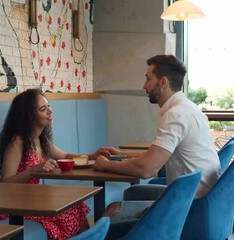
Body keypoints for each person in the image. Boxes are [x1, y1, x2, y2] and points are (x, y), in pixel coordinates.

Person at [93, 54, 221, 239]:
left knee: (112, 210)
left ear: (163, 82)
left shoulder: (175, 115)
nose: (144, 86)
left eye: (147, 79)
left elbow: (147, 169)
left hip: (191, 206)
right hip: (201, 198)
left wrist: (105, 165)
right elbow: (156, 158)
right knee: (132, 192)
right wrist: (122, 155)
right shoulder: (188, 108)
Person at [0, 88, 112, 240]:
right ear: (29, 116)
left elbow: (65, 156)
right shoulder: (17, 142)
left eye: (49, 106)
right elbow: (5, 183)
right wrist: (33, 170)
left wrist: (92, 155)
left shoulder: (41, 140)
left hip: (32, 200)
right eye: (43, 109)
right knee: (69, 209)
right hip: (11, 204)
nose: (50, 111)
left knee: (75, 205)